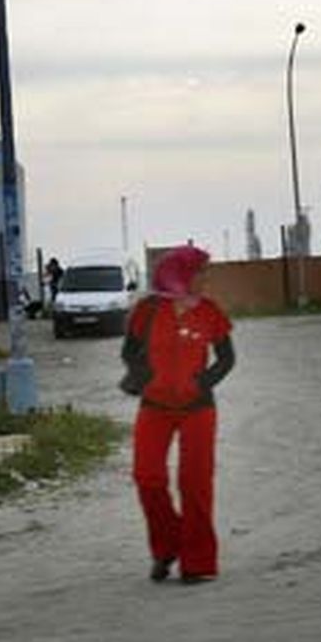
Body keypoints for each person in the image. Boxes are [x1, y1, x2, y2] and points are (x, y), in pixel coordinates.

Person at [120, 245, 235, 584]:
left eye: (205, 272)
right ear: (180, 273)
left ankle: (198, 563)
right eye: (200, 272)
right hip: (154, 407)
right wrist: (146, 376)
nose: (204, 279)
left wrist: (203, 382)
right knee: (147, 477)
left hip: (198, 410)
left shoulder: (210, 312)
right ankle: (167, 546)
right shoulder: (148, 310)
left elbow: (227, 358)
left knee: (195, 484)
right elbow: (129, 350)